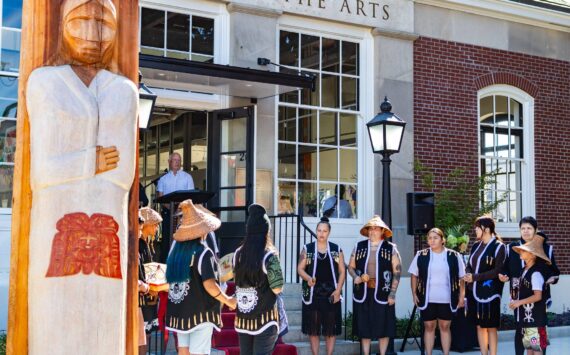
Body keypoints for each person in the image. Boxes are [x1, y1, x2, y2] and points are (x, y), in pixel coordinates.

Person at [26, 0, 138, 352]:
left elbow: (123, 171)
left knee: (105, 322)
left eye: (103, 22)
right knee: (55, 318)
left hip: (109, 225)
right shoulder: (45, 82)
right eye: (81, 20)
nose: (93, 34)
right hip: (56, 226)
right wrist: (90, 160)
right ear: (62, 25)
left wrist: (74, 161)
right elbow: (42, 170)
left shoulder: (124, 90)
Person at [165, 199, 236, 355]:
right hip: (201, 311)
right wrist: (228, 300)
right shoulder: (203, 252)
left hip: (180, 309)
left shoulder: (175, 254)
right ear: (202, 230)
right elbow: (209, 285)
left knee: (183, 351)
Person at [499, 217, 560, 355]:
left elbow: (554, 273)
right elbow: (505, 269)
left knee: (538, 335)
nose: (525, 231)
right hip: (518, 298)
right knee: (523, 333)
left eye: (529, 228)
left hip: (536, 303)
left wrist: (548, 279)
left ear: (535, 230)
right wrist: (503, 276)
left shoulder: (545, 250)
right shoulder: (512, 249)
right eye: (523, 228)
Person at [233, 204, 285, 355]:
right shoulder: (270, 255)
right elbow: (277, 287)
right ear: (266, 231)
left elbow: (237, 281)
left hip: (243, 317)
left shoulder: (238, 254)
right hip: (265, 319)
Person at [348, 215, 402, 355]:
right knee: (364, 326)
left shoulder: (391, 248)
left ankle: (382, 353)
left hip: (383, 292)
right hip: (363, 293)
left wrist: (393, 293)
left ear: (382, 231)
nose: (372, 232)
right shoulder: (359, 247)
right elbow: (351, 267)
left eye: (376, 229)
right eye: (370, 229)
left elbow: (397, 272)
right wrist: (357, 277)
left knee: (383, 326)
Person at [408, 228, 466, 355]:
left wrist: (461, 296)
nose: (432, 240)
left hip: (447, 299)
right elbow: (413, 275)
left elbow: (462, 277)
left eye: (435, 238)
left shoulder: (454, 256)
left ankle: (446, 353)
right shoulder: (421, 255)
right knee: (429, 327)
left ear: (442, 239)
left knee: (445, 327)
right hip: (427, 298)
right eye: (430, 238)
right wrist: (414, 293)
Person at [297, 217, 346, 355]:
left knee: (330, 329)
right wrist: (308, 278)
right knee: (314, 329)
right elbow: (300, 268)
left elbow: (342, 271)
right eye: (319, 230)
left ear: (329, 232)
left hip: (331, 294)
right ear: (316, 231)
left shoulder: (336, 250)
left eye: (324, 231)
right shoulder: (308, 249)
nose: (321, 233)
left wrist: (338, 291)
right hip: (313, 294)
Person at [464, 216, 506, 355]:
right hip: (474, 291)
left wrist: (475, 277)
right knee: (480, 326)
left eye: (477, 227)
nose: (475, 229)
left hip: (490, 293)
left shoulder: (499, 247)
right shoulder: (476, 245)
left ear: (486, 229)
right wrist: (468, 273)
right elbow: (469, 264)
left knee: (491, 327)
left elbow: (497, 271)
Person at [508, 234, 551, 355]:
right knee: (529, 350)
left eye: (524, 250)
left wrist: (518, 302)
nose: (520, 251)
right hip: (527, 320)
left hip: (537, 321)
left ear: (532, 255)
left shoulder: (536, 274)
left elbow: (538, 296)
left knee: (537, 350)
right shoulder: (524, 270)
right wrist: (515, 298)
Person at [157, 152, 195, 262]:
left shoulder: (187, 177)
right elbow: (161, 197)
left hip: (183, 214)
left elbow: (191, 196)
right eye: (174, 160)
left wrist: (180, 209)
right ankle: (166, 264)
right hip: (168, 213)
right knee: (167, 241)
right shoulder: (163, 179)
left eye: (179, 160)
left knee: (183, 241)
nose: (177, 162)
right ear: (169, 162)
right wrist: (171, 208)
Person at [138, 207, 162, 354]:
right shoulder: (139, 244)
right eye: (154, 224)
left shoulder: (147, 243)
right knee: (141, 336)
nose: (156, 227)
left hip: (148, 292)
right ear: (145, 225)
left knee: (145, 335)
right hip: (142, 293)